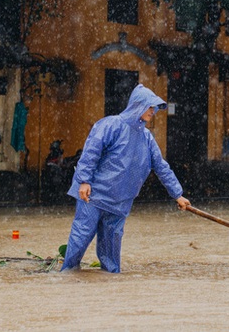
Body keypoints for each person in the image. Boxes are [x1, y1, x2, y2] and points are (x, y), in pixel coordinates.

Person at [61, 84, 191, 273]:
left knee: (111, 244)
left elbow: (161, 166)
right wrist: (84, 181)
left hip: (120, 199)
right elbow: (91, 153)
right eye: (150, 107)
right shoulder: (110, 125)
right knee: (81, 236)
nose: (153, 111)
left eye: (154, 108)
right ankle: (68, 274)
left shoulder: (146, 137)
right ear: (138, 105)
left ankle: (112, 279)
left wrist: (177, 194)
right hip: (94, 194)